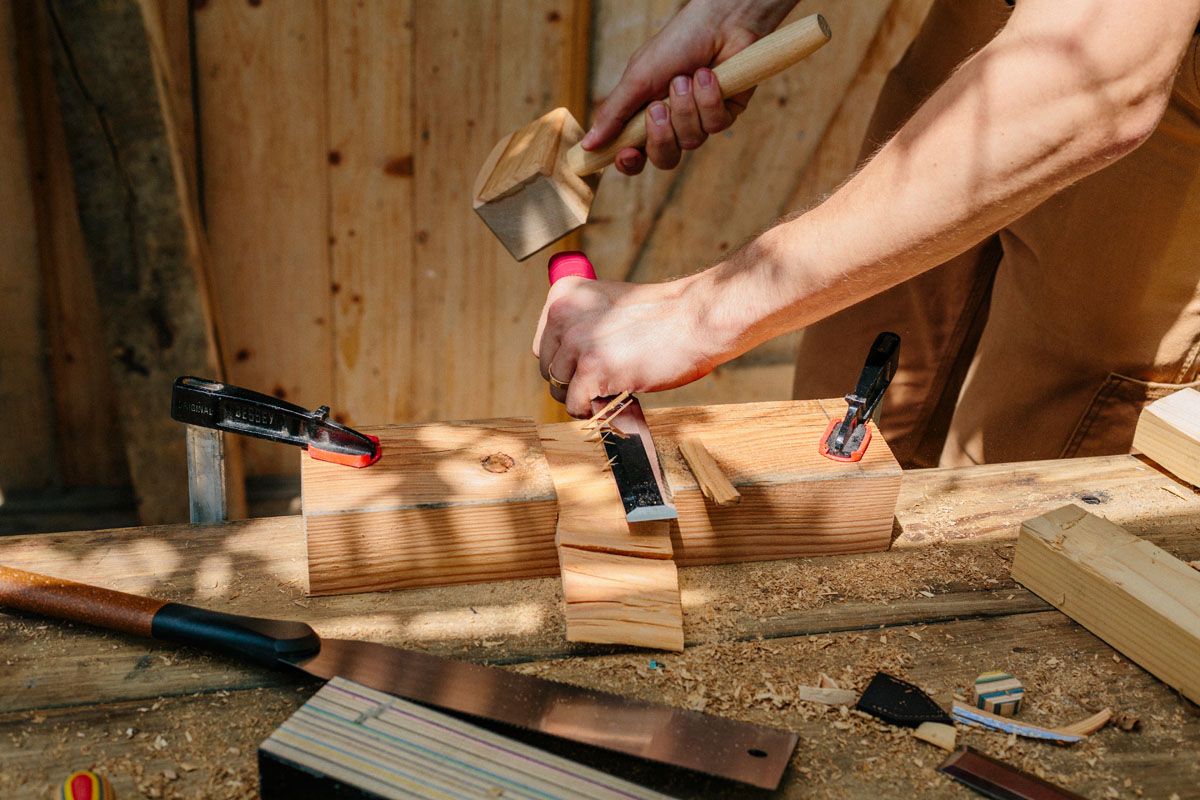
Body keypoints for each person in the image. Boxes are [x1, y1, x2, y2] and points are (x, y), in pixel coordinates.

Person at [532, 0, 1200, 468]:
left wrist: (700, 313)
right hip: (994, 18)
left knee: (1026, 480)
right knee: (840, 421)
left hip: (1136, 67)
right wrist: (739, 10)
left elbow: (1098, 80)